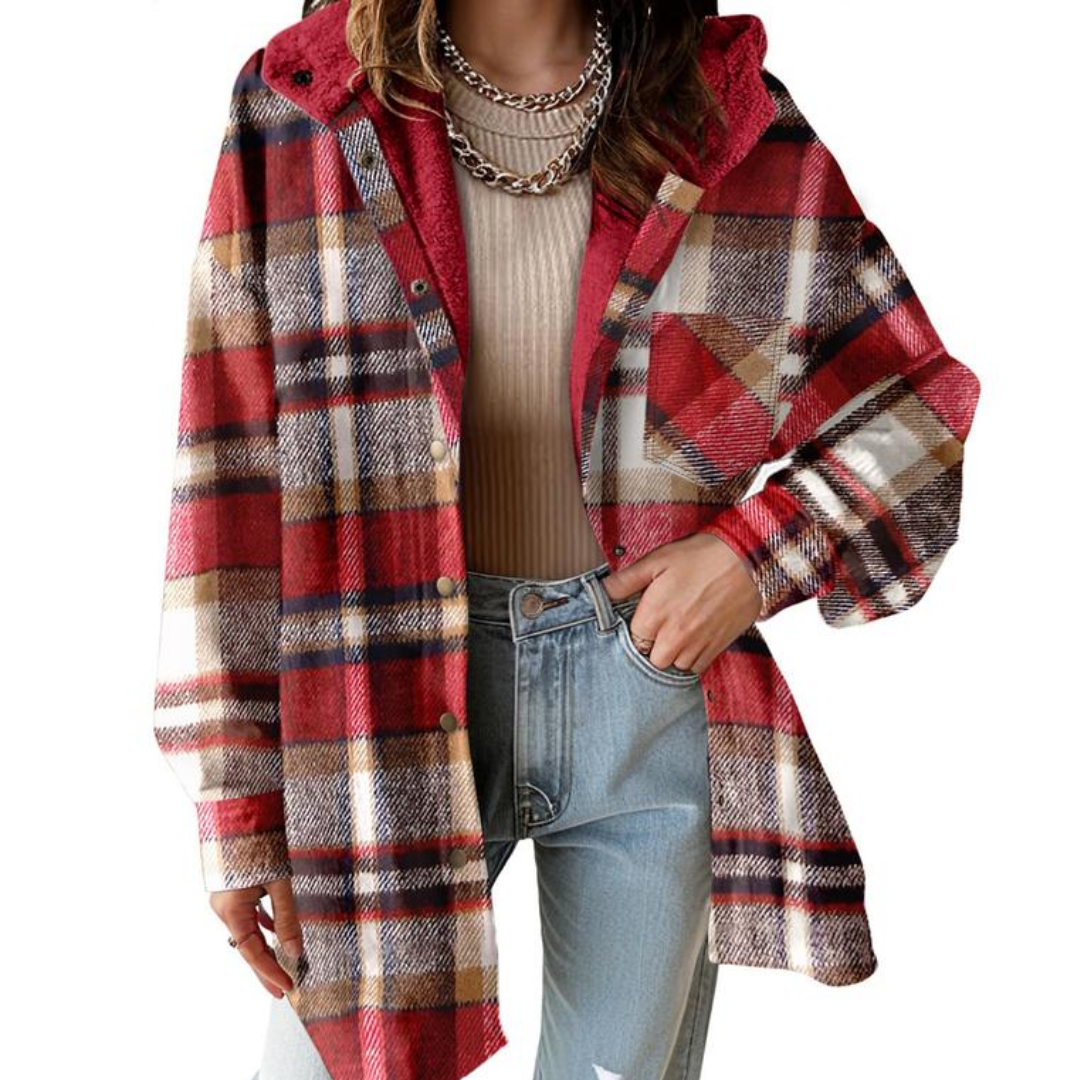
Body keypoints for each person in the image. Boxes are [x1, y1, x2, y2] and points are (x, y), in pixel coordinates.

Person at [151, 2, 981, 1079]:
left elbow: (917, 404)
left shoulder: (720, 117)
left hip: (646, 682)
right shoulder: (302, 106)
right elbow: (227, 464)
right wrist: (237, 800)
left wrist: (754, 554)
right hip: (379, 689)